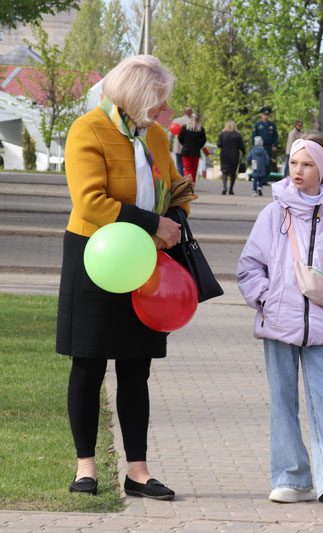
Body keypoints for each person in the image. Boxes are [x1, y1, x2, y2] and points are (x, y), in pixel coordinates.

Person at [58, 55, 189, 500]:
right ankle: (85, 468)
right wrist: (152, 225)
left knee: (137, 367)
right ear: (134, 95)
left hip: (145, 263)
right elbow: (91, 201)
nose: (163, 110)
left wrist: (172, 219)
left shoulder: (153, 135)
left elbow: (180, 186)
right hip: (95, 258)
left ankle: (138, 471)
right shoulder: (87, 130)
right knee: (88, 364)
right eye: (158, 101)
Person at [236, 133, 323, 510]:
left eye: (307, 164)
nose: (298, 170)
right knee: (282, 400)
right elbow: (249, 266)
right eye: (294, 163)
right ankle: (291, 478)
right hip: (279, 322)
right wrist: (266, 298)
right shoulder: (273, 213)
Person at [217, 120, 245, 195]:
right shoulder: (238, 135)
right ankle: (231, 189)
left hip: (224, 155)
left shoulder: (222, 134)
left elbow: (219, 145)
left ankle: (224, 187)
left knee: (224, 171)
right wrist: (244, 153)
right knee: (233, 172)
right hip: (234, 156)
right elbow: (241, 146)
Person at [177, 114, 207, 185]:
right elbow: (204, 140)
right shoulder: (201, 129)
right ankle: (192, 183)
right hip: (196, 151)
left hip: (186, 151)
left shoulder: (185, 127)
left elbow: (180, 138)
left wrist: (184, 144)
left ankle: (188, 183)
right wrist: (198, 146)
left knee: (187, 169)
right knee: (194, 169)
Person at [252, 106, 279, 173]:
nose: (266, 116)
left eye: (267, 115)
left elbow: (275, 136)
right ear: (262, 115)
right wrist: (254, 145)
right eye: (264, 114)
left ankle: (265, 179)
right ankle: (259, 178)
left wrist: (275, 145)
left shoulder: (272, 125)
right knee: (259, 162)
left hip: (269, 147)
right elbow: (253, 136)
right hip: (259, 146)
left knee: (267, 162)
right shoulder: (257, 124)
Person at [169, 105, 192, 176]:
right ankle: (188, 183)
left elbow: (171, 134)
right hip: (190, 147)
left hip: (178, 146)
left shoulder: (176, 121)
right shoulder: (193, 122)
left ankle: (182, 183)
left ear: (184, 112)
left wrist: (169, 145)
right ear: (191, 113)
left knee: (179, 166)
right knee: (188, 167)